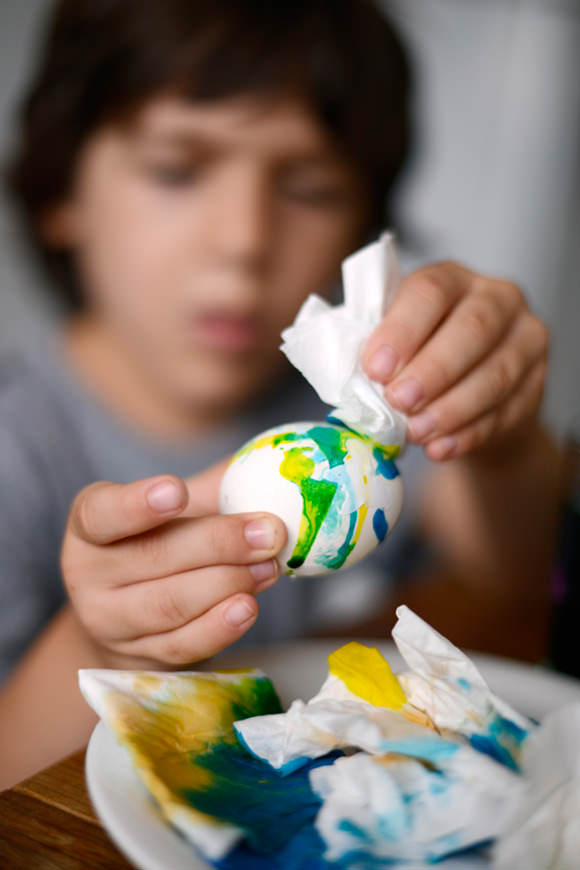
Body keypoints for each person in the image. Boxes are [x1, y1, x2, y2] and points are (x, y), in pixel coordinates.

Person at [0, 0, 560, 790]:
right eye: (177, 170)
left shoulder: (368, 408)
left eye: (309, 187)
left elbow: (517, 573)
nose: (244, 241)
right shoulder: (16, 446)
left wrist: (500, 435)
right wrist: (108, 649)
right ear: (62, 194)